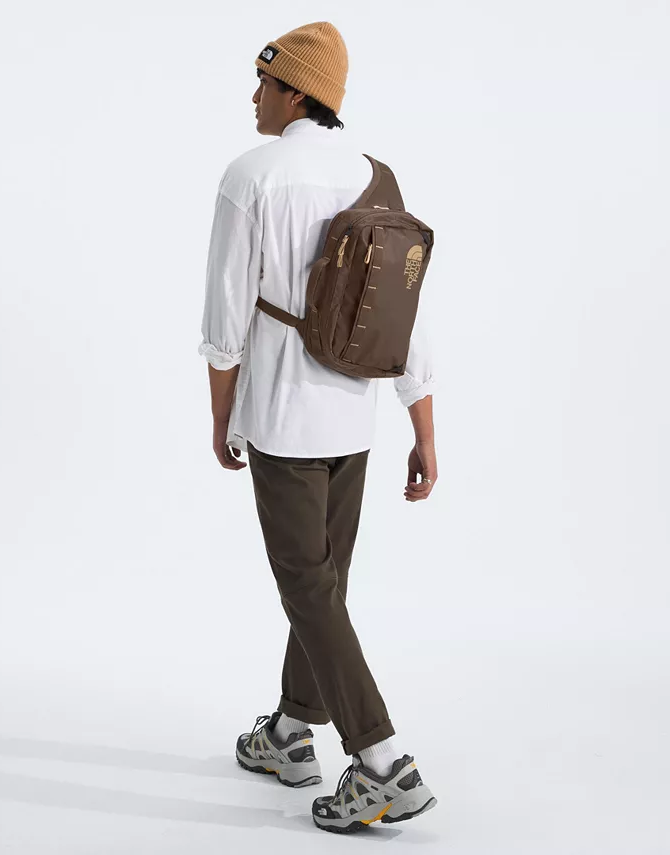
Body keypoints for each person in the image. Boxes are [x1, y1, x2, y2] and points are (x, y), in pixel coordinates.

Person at [198, 20, 438, 833]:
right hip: (356, 416)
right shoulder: (378, 177)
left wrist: (222, 415)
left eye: (264, 83)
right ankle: (289, 732)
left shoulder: (251, 175)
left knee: (307, 585)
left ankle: (384, 763)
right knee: (324, 584)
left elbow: (225, 317)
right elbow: (405, 316)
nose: (254, 97)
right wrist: (423, 425)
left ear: (297, 92)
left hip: (281, 415)